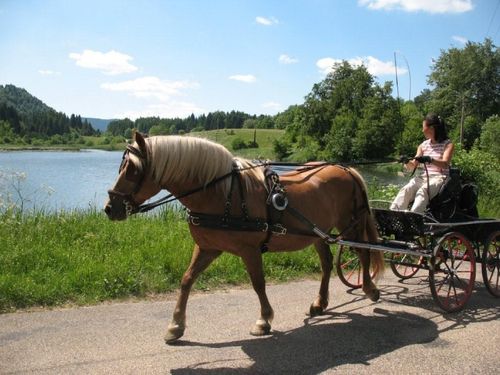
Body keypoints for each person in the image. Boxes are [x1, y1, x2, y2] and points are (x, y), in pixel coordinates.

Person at [390, 113, 454, 213]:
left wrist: (430, 159)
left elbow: (445, 163)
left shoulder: (448, 144)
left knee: (422, 192)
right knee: (406, 189)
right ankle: (393, 215)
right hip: (424, 177)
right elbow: (412, 167)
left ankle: (413, 219)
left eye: (423, 127)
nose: (422, 130)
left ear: (432, 128)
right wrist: (406, 161)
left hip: (440, 178)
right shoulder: (423, 146)